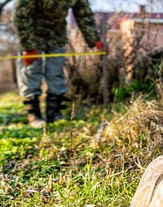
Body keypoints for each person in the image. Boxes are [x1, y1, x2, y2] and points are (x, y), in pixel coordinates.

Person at [14, 0, 106, 128]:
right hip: (31, 32)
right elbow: (21, 15)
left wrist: (94, 38)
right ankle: (34, 115)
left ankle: (54, 113)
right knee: (31, 70)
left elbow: (83, 14)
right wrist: (28, 48)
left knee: (56, 71)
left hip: (56, 34)